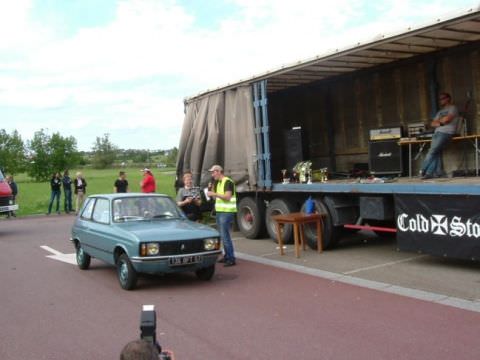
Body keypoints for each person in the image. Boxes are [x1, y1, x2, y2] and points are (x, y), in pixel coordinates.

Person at [421, 92, 460, 179]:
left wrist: (440, 122)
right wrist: (441, 122)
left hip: (446, 133)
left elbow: (447, 119)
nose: (441, 100)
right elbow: (432, 123)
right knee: (436, 153)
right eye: (440, 99)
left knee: (432, 151)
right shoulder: (440, 112)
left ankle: (423, 169)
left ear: (448, 98)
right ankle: (430, 173)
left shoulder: (453, 108)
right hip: (437, 133)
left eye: (443, 98)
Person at [207, 164, 237, 267]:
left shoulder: (227, 182)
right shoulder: (218, 182)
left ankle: (231, 258)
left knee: (225, 235)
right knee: (223, 235)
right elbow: (217, 198)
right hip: (220, 211)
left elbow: (228, 197)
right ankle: (227, 255)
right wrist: (212, 192)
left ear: (219, 171)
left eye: (213, 172)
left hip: (227, 212)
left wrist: (214, 194)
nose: (212, 174)